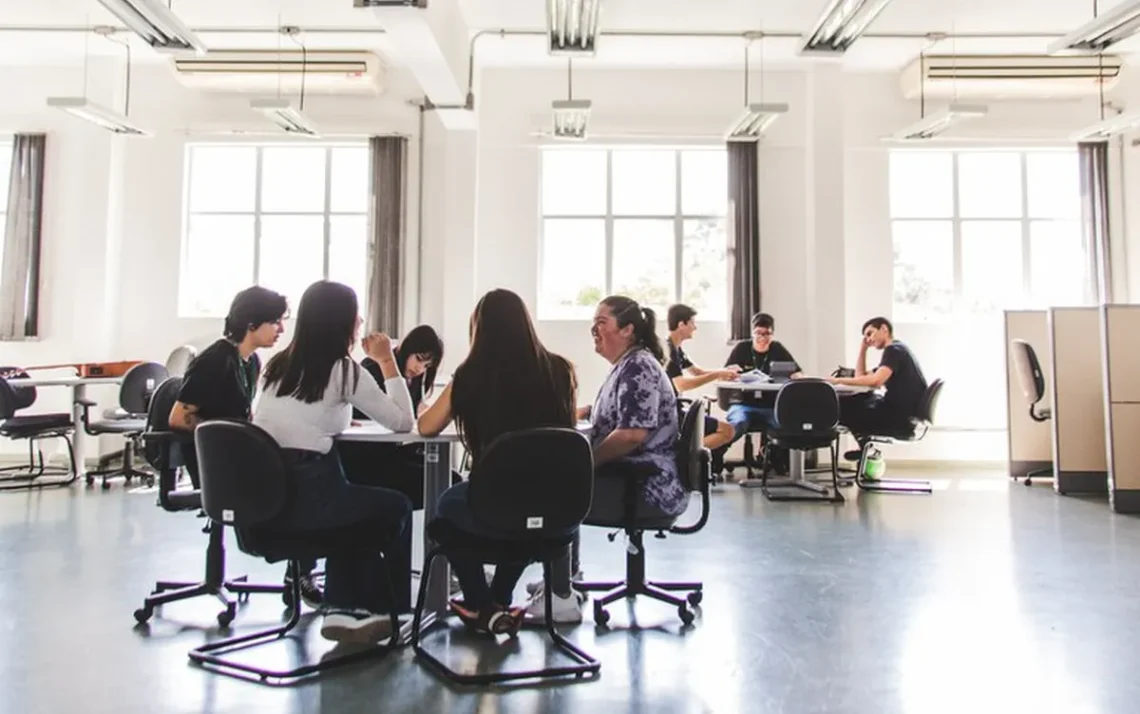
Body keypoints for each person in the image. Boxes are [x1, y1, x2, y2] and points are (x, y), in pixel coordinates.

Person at [252, 280, 416, 644]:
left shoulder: (278, 366)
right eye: (356, 315)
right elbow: (403, 424)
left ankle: (342, 609)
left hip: (266, 500)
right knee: (393, 507)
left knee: (354, 505)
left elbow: (303, 417)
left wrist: (341, 417)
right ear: (343, 321)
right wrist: (387, 360)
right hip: (311, 496)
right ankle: (385, 611)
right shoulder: (343, 369)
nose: (360, 322)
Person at [418, 289, 577, 634]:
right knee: (523, 517)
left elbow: (427, 427)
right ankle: (499, 599)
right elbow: (567, 431)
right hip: (556, 510)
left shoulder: (470, 375)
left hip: (495, 503)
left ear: (479, 328)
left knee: (445, 511)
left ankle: (483, 604)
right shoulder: (560, 370)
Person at [166, 287, 323, 607]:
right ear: (252, 323)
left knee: (310, 473)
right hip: (215, 465)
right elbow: (178, 419)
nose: (281, 329)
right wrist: (233, 435)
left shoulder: (250, 362)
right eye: (275, 322)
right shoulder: (214, 361)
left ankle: (301, 567)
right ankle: (299, 568)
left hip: (238, 458)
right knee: (304, 483)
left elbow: (244, 414)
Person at [538, 296, 683, 624]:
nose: (594, 329)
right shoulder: (628, 365)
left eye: (601, 322)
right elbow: (614, 413)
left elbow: (632, 435)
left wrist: (585, 463)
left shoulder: (639, 367)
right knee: (560, 477)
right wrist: (575, 413)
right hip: (639, 476)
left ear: (628, 329)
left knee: (556, 488)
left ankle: (560, 590)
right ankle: (565, 579)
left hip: (646, 484)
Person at [340, 325, 446, 506]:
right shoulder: (373, 366)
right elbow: (398, 419)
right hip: (368, 454)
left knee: (446, 477)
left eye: (427, 365)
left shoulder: (417, 378)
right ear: (408, 349)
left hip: (393, 449)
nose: (420, 368)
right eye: (419, 359)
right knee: (439, 481)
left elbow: (412, 414)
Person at [828, 317, 928, 453]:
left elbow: (876, 381)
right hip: (902, 415)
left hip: (899, 419)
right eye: (865, 337)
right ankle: (867, 450)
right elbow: (861, 377)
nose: (868, 339)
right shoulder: (899, 349)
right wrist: (863, 349)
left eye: (870, 333)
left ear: (884, 329)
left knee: (843, 408)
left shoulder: (893, 350)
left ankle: (868, 451)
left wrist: (838, 381)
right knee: (856, 400)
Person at [664, 304, 738, 477]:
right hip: (670, 412)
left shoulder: (677, 349)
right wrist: (718, 374)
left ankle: (684, 453)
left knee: (727, 430)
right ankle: (682, 455)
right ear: (681, 325)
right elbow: (681, 385)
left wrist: (725, 371)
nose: (695, 327)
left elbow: (698, 372)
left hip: (676, 408)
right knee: (727, 431)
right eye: (692, 323)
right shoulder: (669, 351)